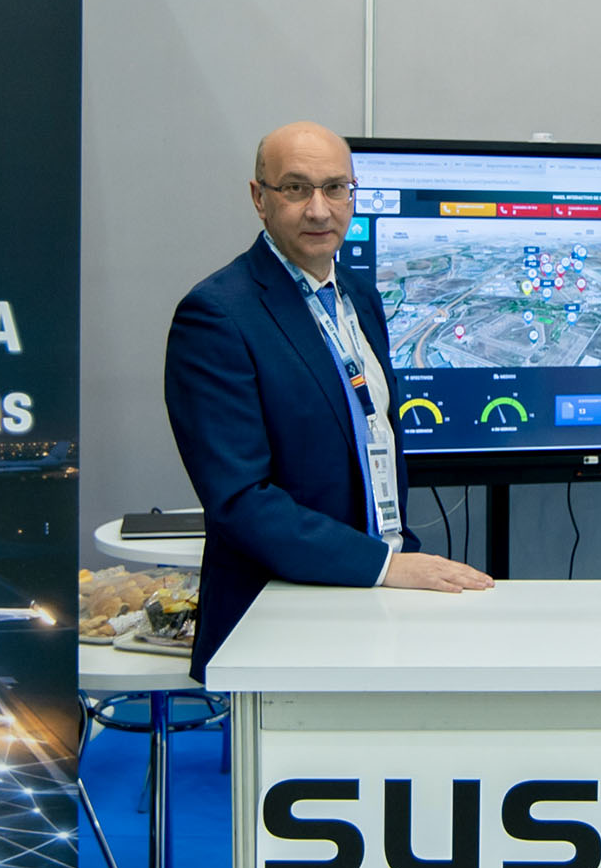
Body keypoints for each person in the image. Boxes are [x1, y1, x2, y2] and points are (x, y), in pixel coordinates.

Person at [165, 121, 493, 682]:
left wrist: (395, 558)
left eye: (336, 188)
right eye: (296, 188)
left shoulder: (359, 295)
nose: (319, 210)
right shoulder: (217, 315)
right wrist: (385, 566)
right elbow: (240, 500)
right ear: (259, 199)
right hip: (280, 614)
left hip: (379, 595)